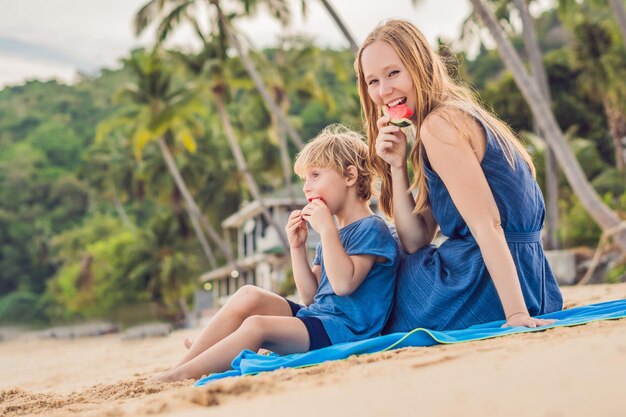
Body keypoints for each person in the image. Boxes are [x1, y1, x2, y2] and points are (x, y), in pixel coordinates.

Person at [353, 19, 562, 332]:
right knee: (394, 241)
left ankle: (318, 324)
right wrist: (397, 166)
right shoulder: (456, 113)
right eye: (372, 81)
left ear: (420, 65)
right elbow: (417, 239)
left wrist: (516, 314)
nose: (383, 91)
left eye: (393, 73)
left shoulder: (440, 125)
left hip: (481, 285)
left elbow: (487, 224)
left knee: (376, 257)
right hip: (535, 282)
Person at [148, 125, 399, 382]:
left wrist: (326, 231)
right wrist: (297, 248)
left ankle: (182, 375)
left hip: (344, 330)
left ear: (349, 176)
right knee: (248, 294)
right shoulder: (332, 235)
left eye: (315, 175)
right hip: (318, 318)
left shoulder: (371, 228)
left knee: (257, 325)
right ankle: (193, 359)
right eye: (304, 180)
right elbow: (311, 297)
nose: (306, 188)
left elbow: (344, 284)